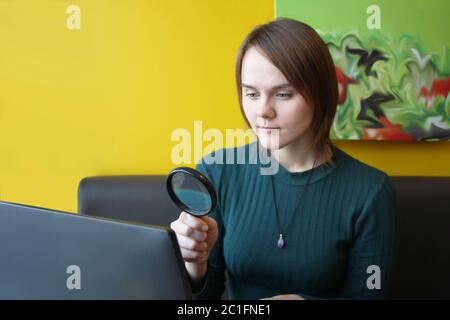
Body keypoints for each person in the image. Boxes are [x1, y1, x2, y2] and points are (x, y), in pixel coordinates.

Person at [170, 18, 398, 300]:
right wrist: (194, 265)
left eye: (283, 94)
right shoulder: (217, 171)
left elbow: (370, 295)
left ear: (321, 95)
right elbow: (205, 301)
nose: (263, 111)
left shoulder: (370, 192)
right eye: (251, 93)